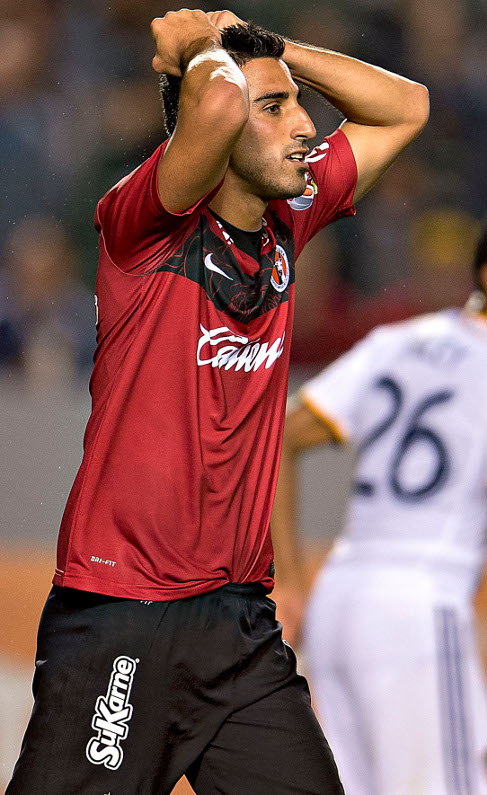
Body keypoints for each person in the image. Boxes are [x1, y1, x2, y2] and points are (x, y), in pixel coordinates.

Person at [8, 9, 427, 794]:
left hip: (238, 626)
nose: (306, 126)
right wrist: (202, 47)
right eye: (278, 108)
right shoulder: (143, 230)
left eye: (298, 104)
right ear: (218, 134)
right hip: (121, 613)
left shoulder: (286, 225)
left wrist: (279, 53)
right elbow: (219, 105)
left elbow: (407, 107)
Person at [271, 202, 487, 795]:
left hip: (340, 602)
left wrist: (289, 579)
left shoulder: (398, 342)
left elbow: (278, 435)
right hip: (418, 610)